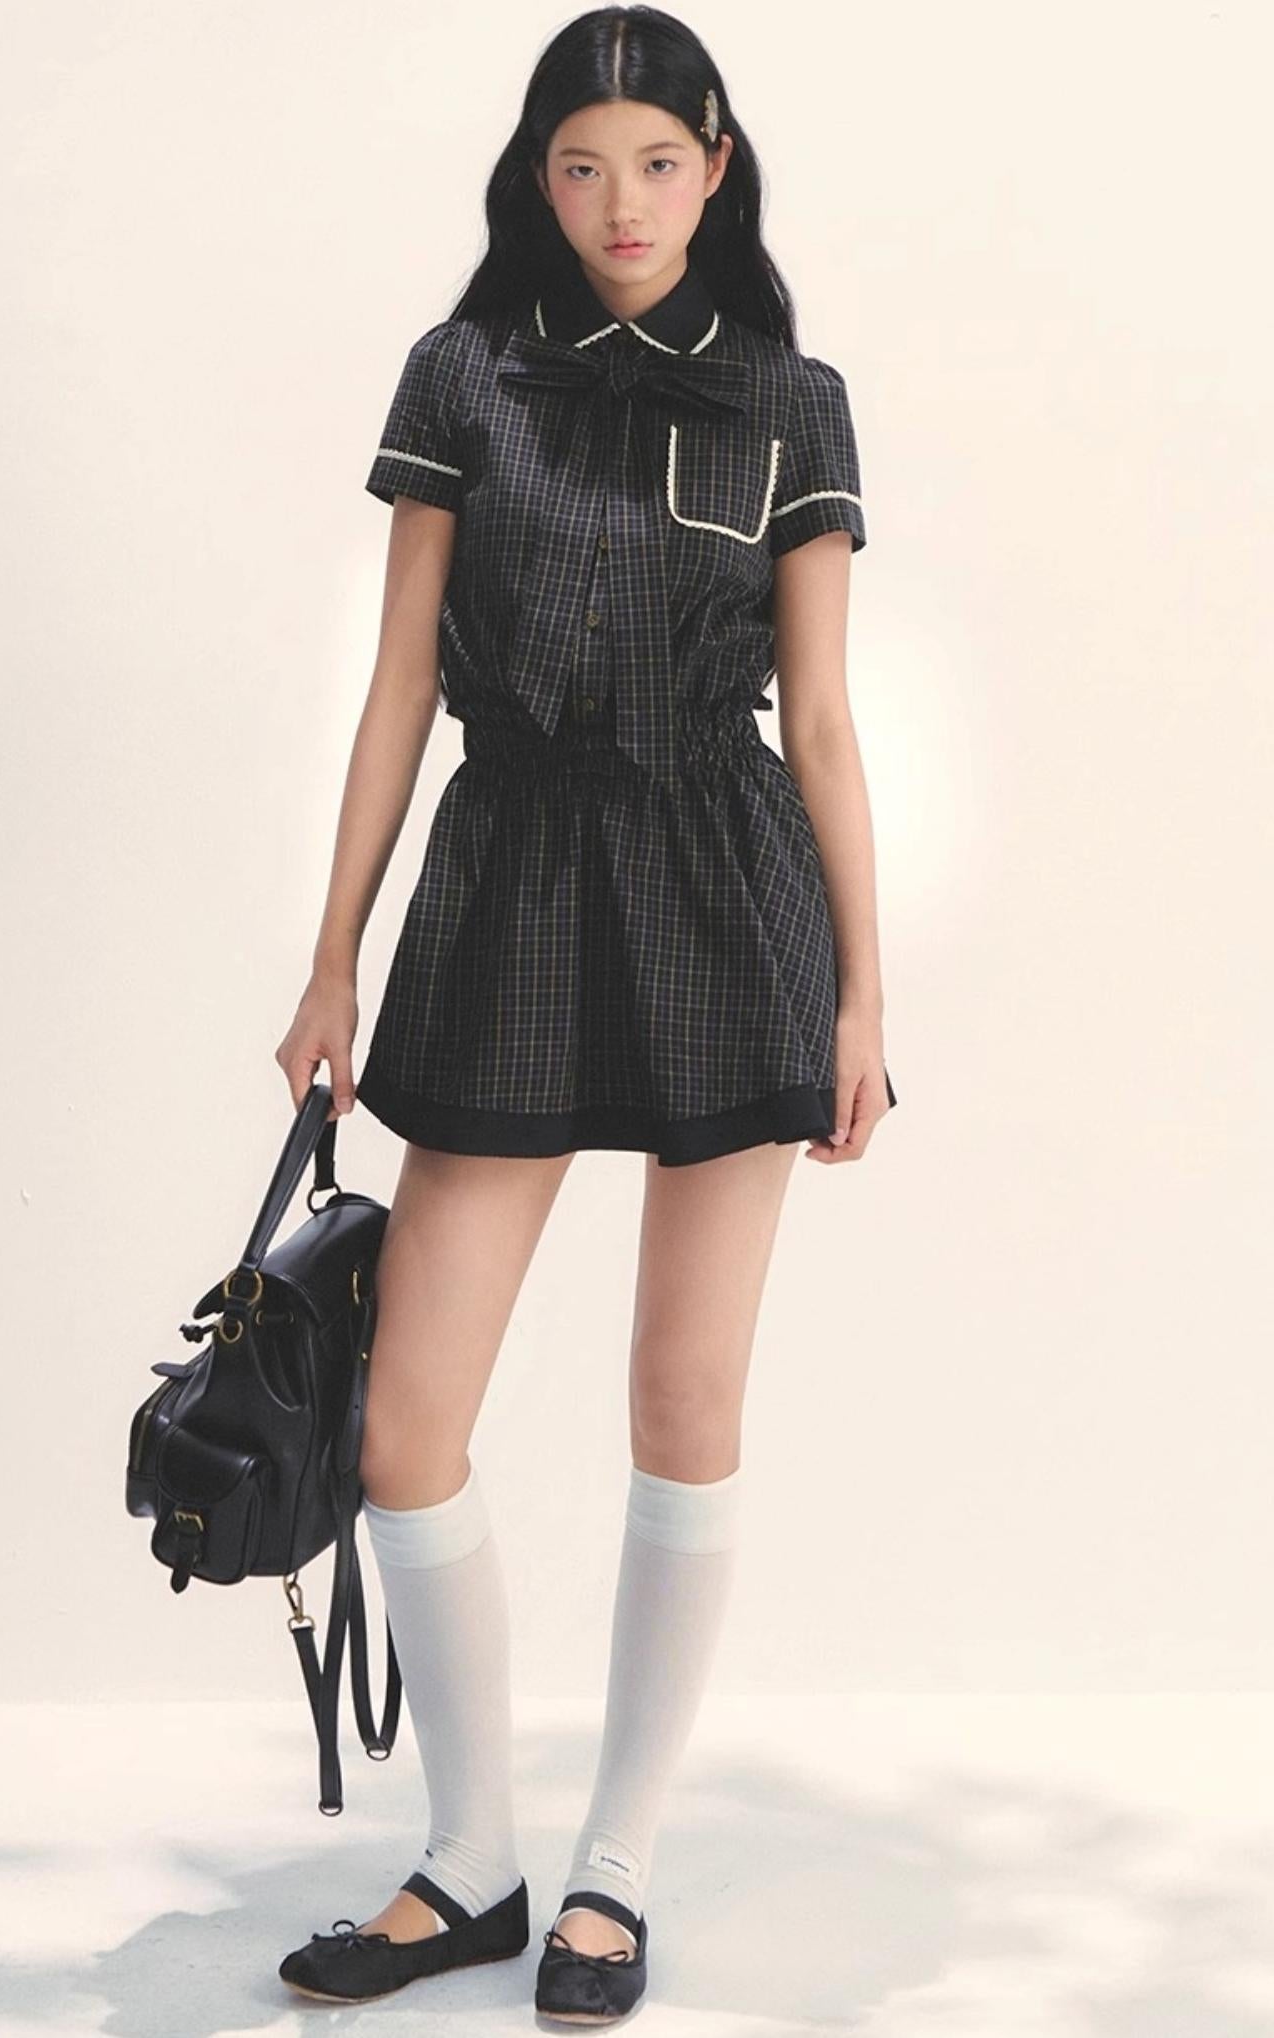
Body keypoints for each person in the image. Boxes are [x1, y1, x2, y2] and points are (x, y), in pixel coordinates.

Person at [274, 5, 897, 2021]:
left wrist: (863, 991)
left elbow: (822, 719)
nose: (619, 204)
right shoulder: (465, 374)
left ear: (714, 164)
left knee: (680, 1401)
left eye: (654, 162)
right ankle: (470, 1856)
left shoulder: (791, 400)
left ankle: (614, 1863)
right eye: (578, 166)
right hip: (513, 886)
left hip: (725, 897)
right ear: (533, 179)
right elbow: (395, 686)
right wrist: (331, 953)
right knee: (405, 1421)